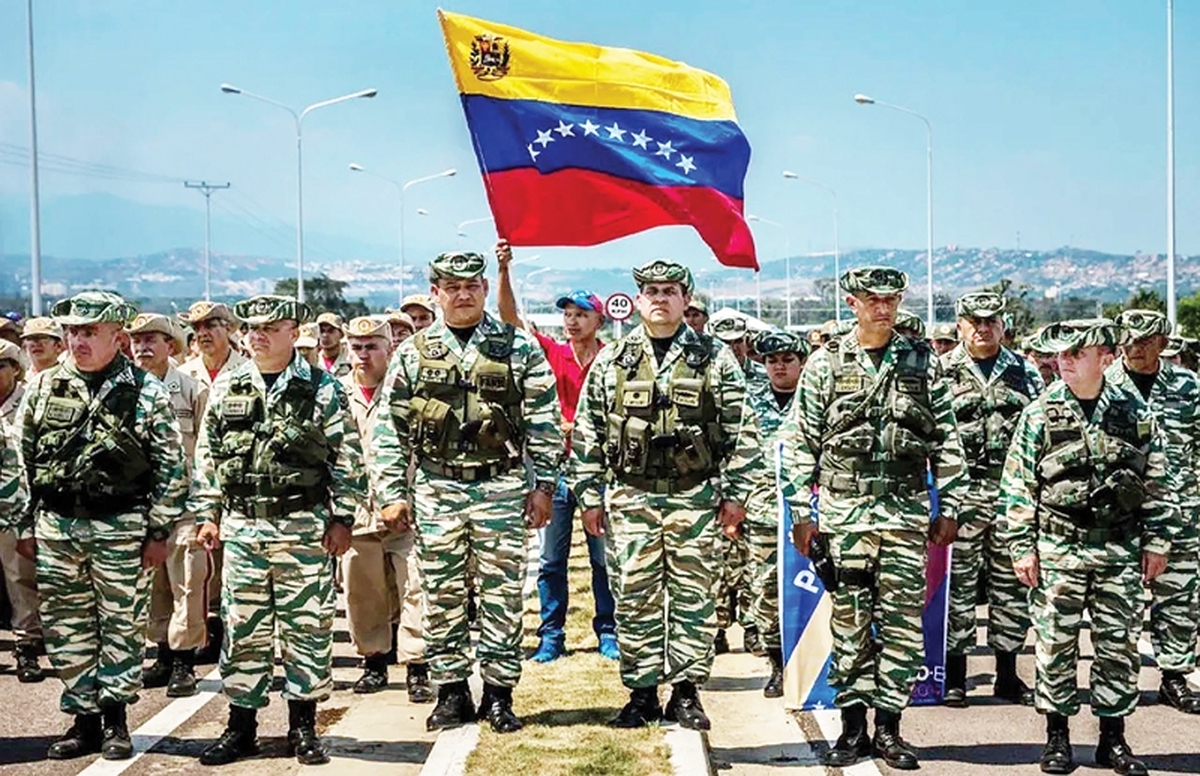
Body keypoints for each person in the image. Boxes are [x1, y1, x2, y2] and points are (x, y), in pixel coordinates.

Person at [781, 267, 965, 770]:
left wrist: (949, 506)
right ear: (852, 302)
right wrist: (802, 511)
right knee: (850, 624)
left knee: (903, 626)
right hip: (845, 516)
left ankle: (889, 728)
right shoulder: (824, 363)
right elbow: (802, 442)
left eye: (890, 299)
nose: (882, 308)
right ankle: (852, 727)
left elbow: (945, 437)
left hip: (905, 514)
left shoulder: (923, 363)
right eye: (871, 299)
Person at [370, 252, 561, 734]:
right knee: (442, 595)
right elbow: (390, 431)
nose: (462, 294)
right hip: (436, 487)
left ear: (482, 288)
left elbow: (543, 421)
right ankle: (451, 692)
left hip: (500, 485)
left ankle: (499, 695)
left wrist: (544, 487)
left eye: (472, 285)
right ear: (435, 292)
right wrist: (394, 493)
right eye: (451, 286)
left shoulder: (516, 346)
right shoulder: (413, 353)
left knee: (501, 597)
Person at [572, 259, 761, 731]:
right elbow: (589, 432)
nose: (660, 298)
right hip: (631, 497)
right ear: (638, 300)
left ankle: (687, 692)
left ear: (686, 299)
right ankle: (641, 694)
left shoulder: (714, 357)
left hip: (694, 497)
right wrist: (589, 496)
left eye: (670, 290)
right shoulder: (612, 360)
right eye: (652, 290)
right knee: (634, 598)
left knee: (693, 597)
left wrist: (735, 496)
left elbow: (742, 432)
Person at [191, 295, 365, 766]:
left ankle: (303, 727)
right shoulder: (229, 387)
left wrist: (343, 518)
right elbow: (207, 456)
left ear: (295, 332)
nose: (259, 334)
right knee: (244, 631)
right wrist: (209, 513)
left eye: (272, 326)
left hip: (303, 528)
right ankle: (240, 727)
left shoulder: (322, 388)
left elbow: (346, 457)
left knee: (305, 630)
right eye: (252, 326)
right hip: (245, 528)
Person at [15, 291, 188, 761]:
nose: (78, 341)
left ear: (117, 336)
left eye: (89, 332)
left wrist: (158, 531)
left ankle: (115, 720)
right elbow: (21, 460)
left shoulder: (144, 390)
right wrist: (25, 523)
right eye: (72, 332)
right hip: (58, 528)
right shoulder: (44, 387)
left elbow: (170, 467)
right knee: (67, 629)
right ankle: (82, 721)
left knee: (121, 626)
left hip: (122, 529)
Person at [999, 318, 1175, 776]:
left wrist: (1156, 540)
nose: (1066, 361)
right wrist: (1022, 546)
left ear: (1106, 358)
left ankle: (1112, 740)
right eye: (1062, 355)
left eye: (1078, 354)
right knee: (1055, 647)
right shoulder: (1040, 412)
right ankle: (1057, 738)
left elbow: (1156, 480)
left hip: (1118, 549)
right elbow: (1018, 485)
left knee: (1117, 647)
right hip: (1059, 548)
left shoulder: (1134, 413)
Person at [495, 240, 617, 664]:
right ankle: (552, 634)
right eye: (567, 314)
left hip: (599, 473)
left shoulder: (611, 358)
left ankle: (609, 629)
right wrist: (504, 272)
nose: (572, 321)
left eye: (581, 314)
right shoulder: (552, 353)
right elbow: (511, 320)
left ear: (599, 320)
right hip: (557, 471)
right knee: (551, 558)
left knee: (603, 557)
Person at [939, 292, 1043, 707]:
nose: (983, 328)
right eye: (974, 321)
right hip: (961, 498)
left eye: (991, 321)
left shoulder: (1025, 373)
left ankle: (1007, 675)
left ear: (1003, 325)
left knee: (1010, 590)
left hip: (1010, 497)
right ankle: (956, 676)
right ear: (960, 325)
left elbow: (1040, 435)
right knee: (958, 590)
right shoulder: (941, 372)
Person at [1106, 309, 1200, 714]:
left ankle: (1174, 677)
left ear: (1163, 342)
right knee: (1118, 602)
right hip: (1120, 516)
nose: (1135, 347)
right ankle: (1117, 683)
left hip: (1180, 512)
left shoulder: (1188, 386)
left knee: (1178, 598)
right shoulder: (1105, 386)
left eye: (1145, 341)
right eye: (1129, 339)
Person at [339, 315, 432, 702]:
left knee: (415, 587)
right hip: (357, 510)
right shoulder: (334, 393)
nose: (364, 355)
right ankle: (374, 661)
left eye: (372, 346)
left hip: (406, 507)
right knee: (363, 591)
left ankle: (417, 666)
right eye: (357, 348)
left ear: (388, 348)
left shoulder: (407, 390)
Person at [127, 313, 210, 698]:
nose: (142, 346)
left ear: (170, 346)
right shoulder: (124, 392)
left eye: (151, 339)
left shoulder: (192, 389)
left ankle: (183, 661)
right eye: (136, 340)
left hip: (186, 504)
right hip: (140, 504)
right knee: (152, 583)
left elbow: (210, 450)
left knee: (188, 583)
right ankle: (161, 651)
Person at [178, 300, 248, 663]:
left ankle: (230, 632)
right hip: (195, 485)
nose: (203, 334)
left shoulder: (248, 371)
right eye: (197, 328)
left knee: (232, 566)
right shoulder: (184, 375)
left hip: (238, 483)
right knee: (199, 566)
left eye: (211, 326)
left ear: (230, 329)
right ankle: (205, 633)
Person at [743, 328, 808, 697]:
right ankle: (777, 664)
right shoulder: (749, 402)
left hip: (810, 512)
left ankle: (814, 662)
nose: (779, 367)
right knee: (766, 590)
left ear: (801, 362)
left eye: (787, 360)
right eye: (771, 361)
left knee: (815, 588)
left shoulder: (817, 399)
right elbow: (737, 455)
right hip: (764, 511)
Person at [710, 313, 767, 653]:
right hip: (715, 477)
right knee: (716, 559)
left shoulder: (762, 377)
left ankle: (752, 625)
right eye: (725, 342)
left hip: (754, 479)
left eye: (737, 341)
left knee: (751, 560)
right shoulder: (706, 375)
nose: (732, 348)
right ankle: (715, 628)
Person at [0, 340, 44, 684]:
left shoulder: (32, 399)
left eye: (1, 365)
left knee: (20, 578)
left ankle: (27, 645)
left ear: (16, 368)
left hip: (15, 506)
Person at [316, 312, 352, 377]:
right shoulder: (314, 362)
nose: (325, 335)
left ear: (341, 334)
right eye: (321, 331)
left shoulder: (350, 360)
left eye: (330, 331)